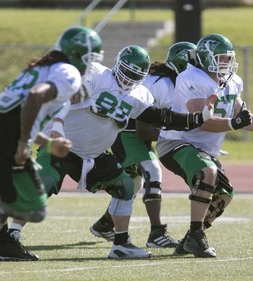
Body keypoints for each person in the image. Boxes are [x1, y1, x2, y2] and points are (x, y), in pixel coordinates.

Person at [29, 44, 214, 260]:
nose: (128, 79)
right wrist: (57, 125)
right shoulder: (98, 75)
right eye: (126, 72)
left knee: (127, 184)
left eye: (135, 75)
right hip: (77, 143)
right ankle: (10, 235)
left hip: (96, 150)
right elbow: (66, 96)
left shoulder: (141, 94)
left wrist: (198, 119)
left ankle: (119, 242)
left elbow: (162, 117)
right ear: (117, 65)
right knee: (41, 185)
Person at [0, 26, 104, 280]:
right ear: (79, 55)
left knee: (0, 213)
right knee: (35, 211)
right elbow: (33, 98)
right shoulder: (67, 73)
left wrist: (44, 142)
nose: (92, 65)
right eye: (92, 59)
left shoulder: (40, 68)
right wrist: (22, 143)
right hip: (8, 138)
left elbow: (12, 112)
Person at [157, 33, 253, 258]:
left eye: (227, 58)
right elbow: (201, 120)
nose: (225, 63)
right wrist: (234, 124)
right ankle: (196, 236)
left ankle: (189, 240)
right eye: (220, 58)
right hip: (177, 142)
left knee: (225, 195)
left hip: (204, 150)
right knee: (208, 172)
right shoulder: (191, 77)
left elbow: (242, 116)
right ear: (205, 58)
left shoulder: (232, 81)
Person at [89, 41, 198, 248]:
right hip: (127, 132)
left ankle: (104, 224)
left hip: (133, 134)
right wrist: (173, 135)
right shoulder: (162, 84)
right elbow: (143, 128)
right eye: (194, 63)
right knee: (152, 172)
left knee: (134, 183)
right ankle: (156, 233)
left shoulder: (174, 82)